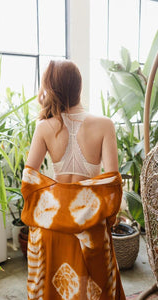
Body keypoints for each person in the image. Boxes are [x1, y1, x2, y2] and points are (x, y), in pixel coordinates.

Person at [21, 60, 125, 299]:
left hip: (52, 229)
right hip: (89, 226)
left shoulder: (44, 127)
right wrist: (108, 217)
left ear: (51, 88)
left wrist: (55, 199)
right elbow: (112, 183)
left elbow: (29, 177)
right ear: (78, 87)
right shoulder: (105, 125)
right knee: (97, 291)